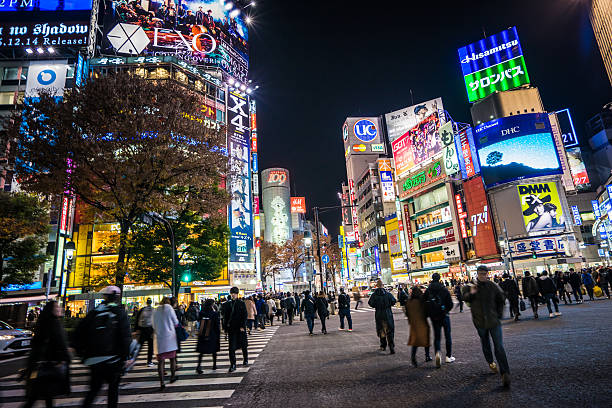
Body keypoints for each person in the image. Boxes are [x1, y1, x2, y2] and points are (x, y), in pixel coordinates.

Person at [76, 286, 131, 408]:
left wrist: (82, 354)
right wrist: (126, 356)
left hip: (94, 359)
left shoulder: (95, 311)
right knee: (113, 389)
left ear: (104, 297)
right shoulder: (119, 311)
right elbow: (125, 336)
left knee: (93, 390)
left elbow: (79, 331)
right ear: (118, 297)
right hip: (113, 359)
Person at [462, 266, 511, 388]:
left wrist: (498, 315)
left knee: (499, 346)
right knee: (485, 343)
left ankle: (505, 373)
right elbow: (466, 299)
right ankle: (490, 362)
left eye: (484, 274)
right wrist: (472, 293)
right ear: (477, 274)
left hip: (493, 321)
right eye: (480, 274)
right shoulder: (472, 287)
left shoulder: (492, 285)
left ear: (487, 274)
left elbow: (501, 299)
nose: (482, 276)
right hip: (479, 322)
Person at [23, 300, 70, 408]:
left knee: (40, 395)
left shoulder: (43, 323)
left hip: (40, 365)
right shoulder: (54, 323)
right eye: (57, 307)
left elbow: (35, 344)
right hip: (49, 365)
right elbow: (60, 343)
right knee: (40, 395)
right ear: (52, 310)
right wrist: (65, 358)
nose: (60, 308)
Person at [424, 273, 454, 367]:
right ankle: (448, 356)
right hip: (444, 315)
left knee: (437, 336)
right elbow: (450, 303)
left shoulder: (428, 290)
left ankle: (437, 353)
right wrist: (446, 310)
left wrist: (429, 312)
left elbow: (423, 301)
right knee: (447, 335)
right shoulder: (443, 289)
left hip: (434, 317)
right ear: (439, 278)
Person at [153, 297, 179, 389]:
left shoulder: (155, 310)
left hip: (159, 338)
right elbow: (176, 322)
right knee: (172, 359)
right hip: (169, 338)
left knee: (161, 362)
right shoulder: (169, 308)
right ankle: (172, 377)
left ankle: (162, 383)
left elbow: (153, 324)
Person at [221, 287, 248, 372]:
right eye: (232, 293)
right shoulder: (226, 304)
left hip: (240, 328)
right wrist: (225, 328)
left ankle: (245, 359)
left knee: (243, 345)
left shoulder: (241, 303)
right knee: (231, 347)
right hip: (231, 328)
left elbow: (244, 315)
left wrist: (243, 326)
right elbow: (225, 317)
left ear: (237, 294)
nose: (233, 294)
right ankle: (233, 364)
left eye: (235, 293)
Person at [368, 279, 397, 354]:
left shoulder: (374, 295)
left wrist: (376, 305)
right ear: (383, 285)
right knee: (390, 330)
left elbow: (370, 303)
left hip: (379, 314)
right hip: (388, 314)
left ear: (377, 286)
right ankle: (391, 346)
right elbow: (394, 301)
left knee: (381, 330)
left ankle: (383, 345)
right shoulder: (388, 294)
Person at [404, 286, 431, 367]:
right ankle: (427, 356)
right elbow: (426, 312)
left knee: (415, 341)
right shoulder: (421, 301)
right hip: (422, 322)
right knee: (426, 340)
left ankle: (413, 358)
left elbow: (407, 313)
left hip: (413, 324)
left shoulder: (409, 302)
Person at [196, 299, 221, 373]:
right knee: (214, 351)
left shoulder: (202, 313)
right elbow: (217, 325)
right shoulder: (214, 314)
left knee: (201, 351)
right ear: (212, 305)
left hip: (202, 334)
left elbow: (199, 321)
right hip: (212, 334)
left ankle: (199, 365)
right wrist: (218, 334)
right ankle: (214, 365)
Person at [135, 298, 155, 367]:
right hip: (150, 330)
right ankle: (149, 361)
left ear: (146, 303)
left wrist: (137, 329)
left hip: (143, 329)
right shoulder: (153, 310)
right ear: (151, 302)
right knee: (150, 347)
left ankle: (133, 359)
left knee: (140, 345)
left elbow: (137, 319)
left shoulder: (142, 309)